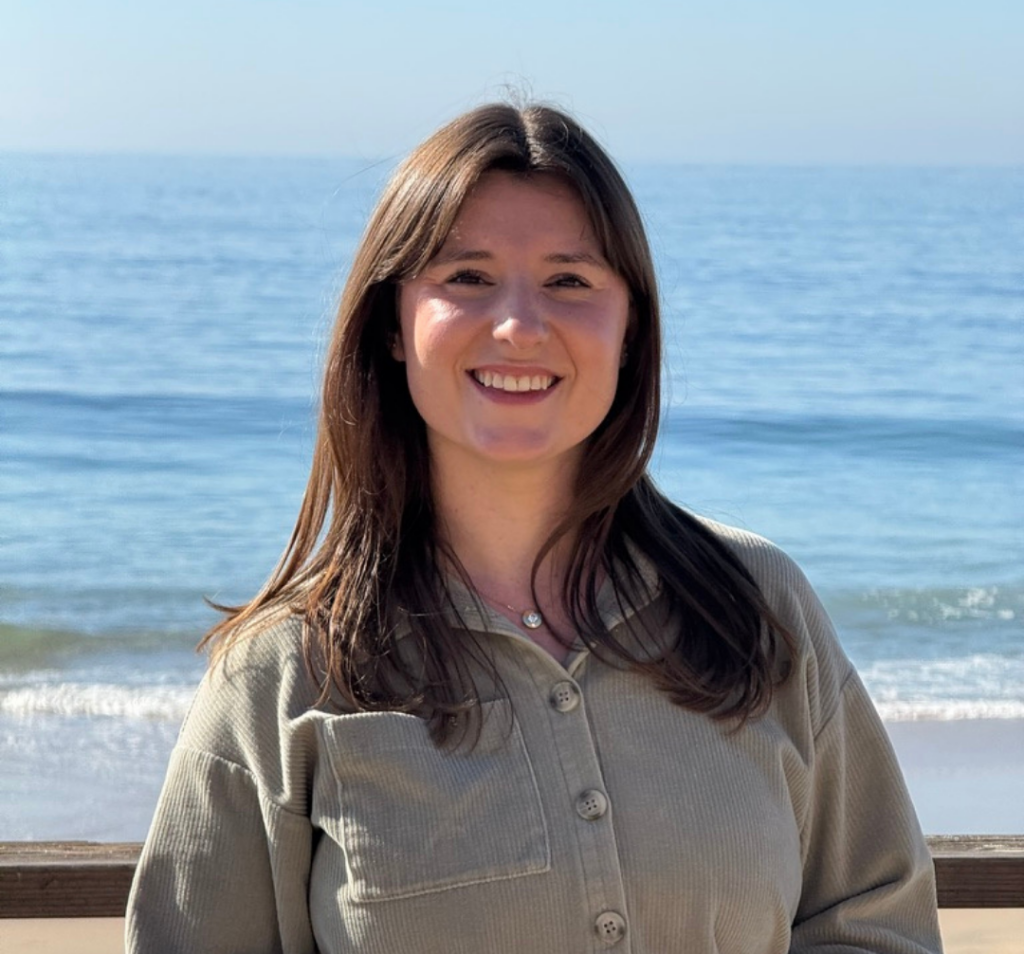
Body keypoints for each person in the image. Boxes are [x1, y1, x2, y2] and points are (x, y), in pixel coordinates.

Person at [126, 104, 942, 953]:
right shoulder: (287, 672)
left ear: (631, 330)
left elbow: (876, 922)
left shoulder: (758, 604)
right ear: (394, 327)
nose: (519, 325)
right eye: (468, 278)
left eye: (570, 281)